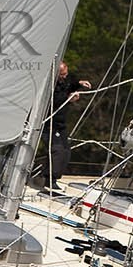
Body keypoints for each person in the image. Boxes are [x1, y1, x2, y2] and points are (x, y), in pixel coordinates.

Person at [44, 60, 89, 189]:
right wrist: (69, 98)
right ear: (55, 75)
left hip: (60, 124)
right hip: (49, 124)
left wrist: (79, 84)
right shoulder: (50, 86)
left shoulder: (65, 81)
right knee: (56, 149)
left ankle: (54, 178)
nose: (64, 77)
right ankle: (49, 180)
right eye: (62, 75)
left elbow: (69, 85)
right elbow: (55, 100)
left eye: (65, 74)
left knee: (66, 151)